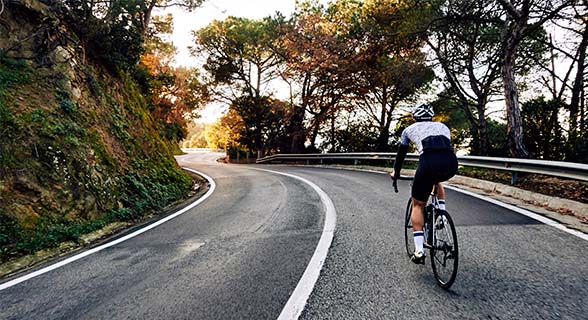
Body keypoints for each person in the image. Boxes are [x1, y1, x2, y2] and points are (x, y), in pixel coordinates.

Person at [391, 104, 458, 264]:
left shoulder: (409, 130)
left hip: (428, 163)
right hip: (450, 164)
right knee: (437, 181)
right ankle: (441, 214)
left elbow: (400, 156)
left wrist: (396, 173)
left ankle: (419, 250)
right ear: (431, 116)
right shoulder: (443, 126)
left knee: (418, 205)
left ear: (414, 118)